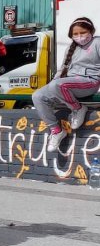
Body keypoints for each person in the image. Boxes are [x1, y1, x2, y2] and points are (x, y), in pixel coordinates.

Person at [36, 17, 100, 151]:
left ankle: (78, 108)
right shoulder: (71, 48)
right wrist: (51, 86)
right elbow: (62, 70)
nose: (79, 36)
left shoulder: (97, 43)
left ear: (91, 31)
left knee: (58, 85)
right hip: (69, 82)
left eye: (82, 32)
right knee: (38, 96)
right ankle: (56, 130)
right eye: (75, 34)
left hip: (90, 81)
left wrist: (55, 85)